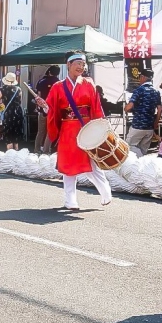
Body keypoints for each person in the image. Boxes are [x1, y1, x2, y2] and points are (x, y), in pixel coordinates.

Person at [46, 51, 113, 210]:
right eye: (78, 63)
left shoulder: (89, 83)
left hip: (87, 128)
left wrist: (101, 128)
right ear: (68, 65)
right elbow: (51, 109)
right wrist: (44, 107)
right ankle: (70, 201)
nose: (81, 67)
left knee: (91, 162)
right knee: (69, 166)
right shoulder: (57, 87)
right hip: (68, 130)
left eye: (83, 64)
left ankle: (105, 191)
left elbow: (96, 107)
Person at [124, 67, 160, 156]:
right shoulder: (156, 92)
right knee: (143, 150)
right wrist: (155, 123)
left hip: (138, 125)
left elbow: (130, 106)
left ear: (143, 77)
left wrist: (125, 108)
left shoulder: (139, 90)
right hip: (150, 127)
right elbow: (159, 109)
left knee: (128, 146)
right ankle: (140, 165)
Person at [0, 72, 24, 150]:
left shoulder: (3, 89)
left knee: (9, 136)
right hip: (18, 113)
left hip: (8, 114)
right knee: (16, 137)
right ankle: (16, 153)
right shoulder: (18, 89)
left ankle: (9, 154)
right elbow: (20, 101)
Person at [34, 66, 60, 153]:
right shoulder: (59, 83)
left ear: (49, 72)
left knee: (40, 131)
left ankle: (37, 149)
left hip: (42, 109)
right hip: (54, 110)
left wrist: (38, 107)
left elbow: (38, 96)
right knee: (50, 131)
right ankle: (46, 150)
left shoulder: (42, 82)